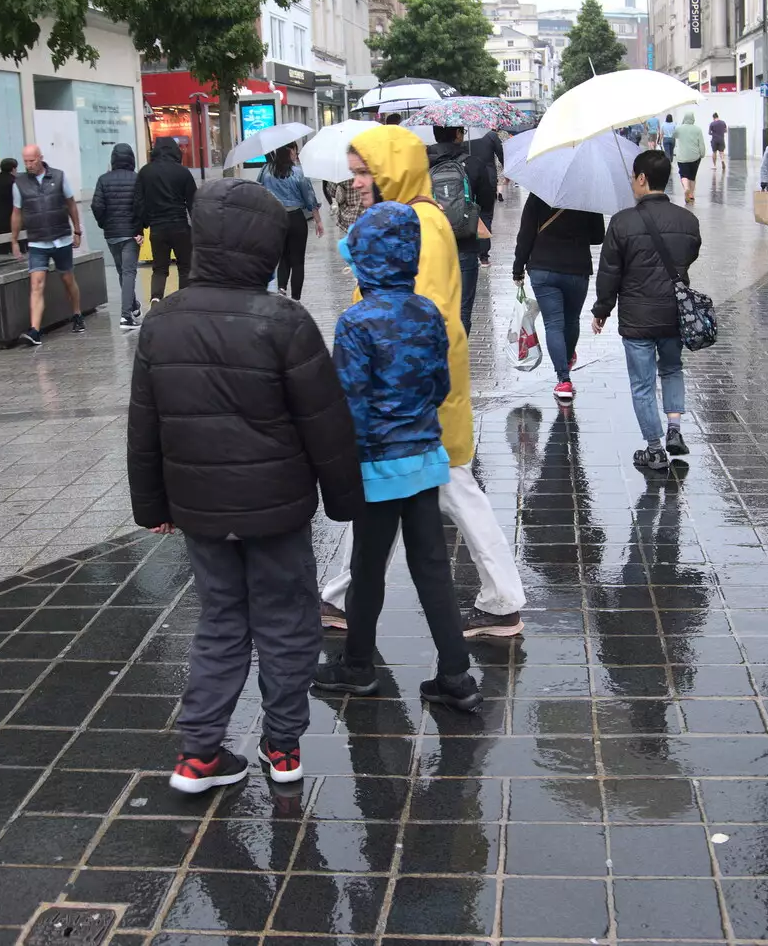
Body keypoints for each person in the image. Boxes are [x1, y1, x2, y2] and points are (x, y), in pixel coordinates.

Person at [127, 178, 363, 793]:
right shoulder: (284, 321)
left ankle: (199, 753)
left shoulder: (161, 322)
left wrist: (151, 504)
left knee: (220, 620)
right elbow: (325, 422)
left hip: (200, 507)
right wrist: (343, 498)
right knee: (287, 622)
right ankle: (282, 748)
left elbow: (144, 423)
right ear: (264, 244)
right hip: (276, 508)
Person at [318, 125, 526, 639]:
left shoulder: (420, 224)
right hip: (419, 397)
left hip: (413, 400)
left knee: (444, 490)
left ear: (393, 170)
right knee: (437, 492)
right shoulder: (413, 219)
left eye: (365, 173)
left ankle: (501, 602)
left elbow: (414, 321)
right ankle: (342, 598)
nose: (358, 183)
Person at [312, 202, 483, 713]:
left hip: (378, 467)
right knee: (432, 567)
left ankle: (358, 666)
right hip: (424, 457)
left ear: (366, 261)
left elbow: (350, 403)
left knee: (368, 566)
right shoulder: (427, 311)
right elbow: (439, 384)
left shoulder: (356, 322)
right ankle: (456, 674)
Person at [592, 150, 701, 473]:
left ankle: (654, 450)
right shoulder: (688, 220)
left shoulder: (622, 222)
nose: (631, 183)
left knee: (642, 384)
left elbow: (610, 272)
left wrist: (602, 309)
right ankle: (675, 429)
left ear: (641, 179)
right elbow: (689, 256)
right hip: (674, 313)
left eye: (632, 178)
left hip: (637, 317)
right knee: (671, 369)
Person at [513, 192, 604, 402]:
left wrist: (518, 268)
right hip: (576, 268)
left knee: (553, 324)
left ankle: (563, 380)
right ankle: (566, 359)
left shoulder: (540, 193)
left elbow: (526, 233)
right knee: (571, 321)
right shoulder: (587, 195)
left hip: (543, 268)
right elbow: (599, 236)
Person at [11, 145, 85, 346]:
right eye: (25, 161)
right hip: (37, 241)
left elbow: (70, 204)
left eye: (32, 161)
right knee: (36, 283)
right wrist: (14, 240)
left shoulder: (58, 177)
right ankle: (35, 330)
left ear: (40, 158)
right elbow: (17, 212)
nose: (28, 165)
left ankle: (77, 314)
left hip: (61, 238)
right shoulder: (19, 183)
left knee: (68, 279)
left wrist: (77, 230)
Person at [427, 126, 485, 332]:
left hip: (432, 248)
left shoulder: (423, 163)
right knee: (462, 310)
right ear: (458, 135)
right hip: (466, 244)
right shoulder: (473, 163)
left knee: (433, 306)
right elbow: (486, 206)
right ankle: (458, 358)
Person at [133, 137, 198, 301]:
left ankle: (156, 299)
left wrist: (140, 227)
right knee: (185, 267)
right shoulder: (182, 172)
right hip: (180, 227)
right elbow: (193, 202)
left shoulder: (145, 172)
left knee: (160, 269)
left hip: (157, 228)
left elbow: (139, 202)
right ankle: (183, 302)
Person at [258, 143, 325, 299]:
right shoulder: (297, 173)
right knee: (298, 260)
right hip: (295, 218)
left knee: (283, 256)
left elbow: (259, 191)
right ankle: (296, 298)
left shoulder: (266, 170)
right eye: (295, 151)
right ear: (289, 151)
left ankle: (281, 288)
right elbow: (309, 198)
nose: (296, 154)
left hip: (275, 219)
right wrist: (318, 221)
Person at [91, 142, 142, 330]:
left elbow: (97, 206)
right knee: (129, 272)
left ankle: (134, 306)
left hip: (112, 234)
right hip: (130, 233)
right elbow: (140, 206)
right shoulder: (137, 179)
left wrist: (104, 223)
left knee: (123, 271)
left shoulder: (103, 179)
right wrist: (140, 228)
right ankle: (126, 316)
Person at [466, 128, 505, 267]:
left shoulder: (463, 135)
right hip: (488, 179)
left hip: (467, 177)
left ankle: (471, 250)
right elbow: (502, 155)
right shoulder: (491, 135)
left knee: (467, 212)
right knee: (486, 215)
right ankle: (484, 256)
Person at [672, 113, 704, 205]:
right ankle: (691, 194)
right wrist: (702, 154)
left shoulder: (679, 128)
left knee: (683, 174)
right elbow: (701, 143)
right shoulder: (698, 129)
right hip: (695, 156)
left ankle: (686, 188)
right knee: (692, 176)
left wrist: (681, 125)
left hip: (682, 156)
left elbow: (674, 135)